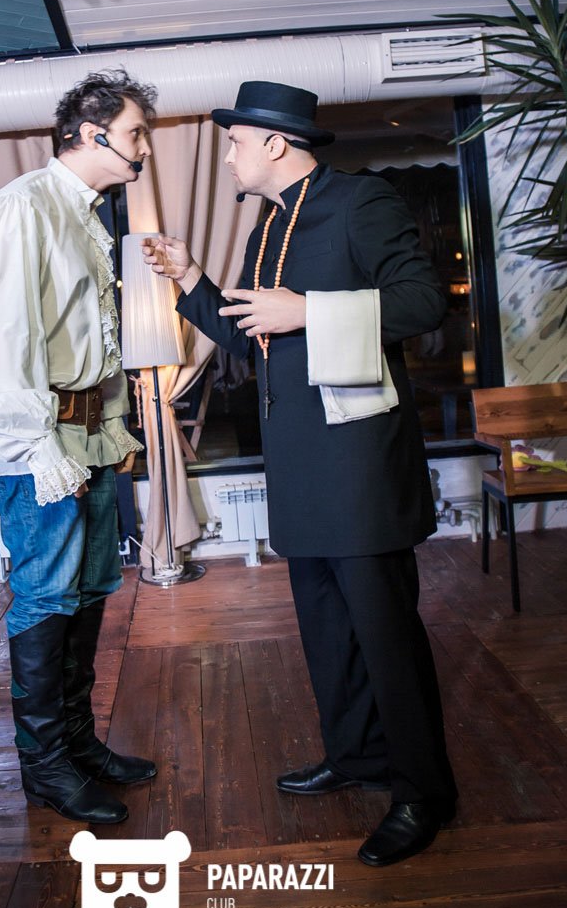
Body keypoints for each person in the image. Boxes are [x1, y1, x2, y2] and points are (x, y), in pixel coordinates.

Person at [143, 80, 458, 867]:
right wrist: (190, 279)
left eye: (234, 143)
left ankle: (423, 793)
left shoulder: (359, 202)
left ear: (275, 144)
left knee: (384, 636)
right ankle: (355, 756)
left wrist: (310, 309)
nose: (228, 157)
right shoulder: (268, 226)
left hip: (358, 466)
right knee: (326, 629)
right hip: (300, 465)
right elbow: (253, 338)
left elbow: (423, 303)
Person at [0, 69, 157, 825]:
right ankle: (44, 766)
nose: (145, 147)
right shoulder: (24, 207)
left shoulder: (86, 212)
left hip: (90, 431)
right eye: (136, 133)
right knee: (46, 594)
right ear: (91, 133)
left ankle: (76, 744)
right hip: (37, 438)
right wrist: (39, 450)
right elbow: (4, 340)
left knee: (91, 587)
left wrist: (110, 429)